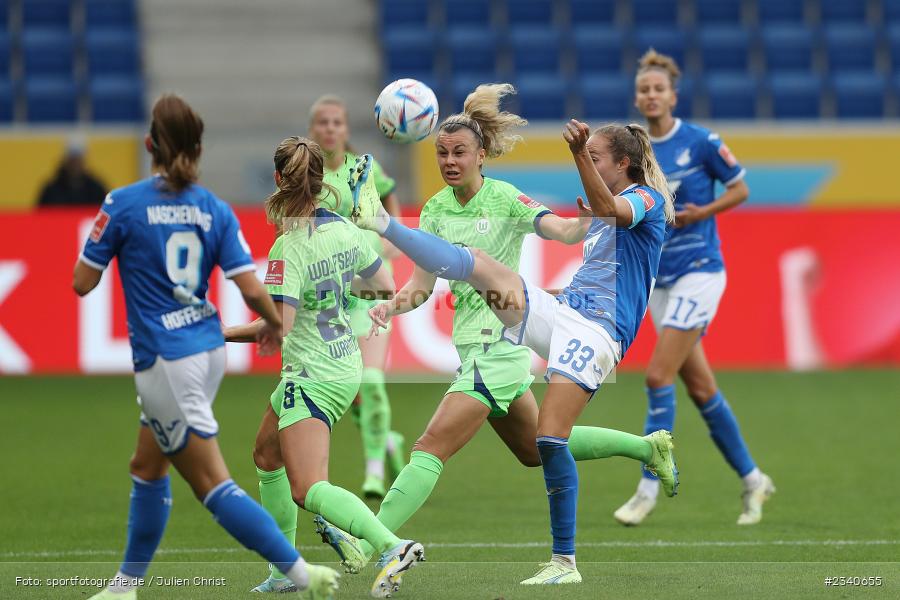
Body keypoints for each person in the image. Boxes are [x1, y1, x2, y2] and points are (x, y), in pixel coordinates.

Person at [314, 84, 676, 581]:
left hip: (500, 343)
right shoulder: (438, 210)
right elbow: (421, 286)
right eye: (441, 153)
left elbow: (566, 231)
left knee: (429, 447)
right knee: (537, 448)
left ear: (481, 155)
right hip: (495, 335)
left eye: (459, 151)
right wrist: (392, 308)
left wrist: (579, 210)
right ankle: (645, 447)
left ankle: (370, 539)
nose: (449, 160)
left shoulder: (505, 197)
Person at [73, 95, 339, 600]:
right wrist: (271, 324)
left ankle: (303, 575)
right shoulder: (212, 208)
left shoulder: (122, 204)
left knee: (212, 485)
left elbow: (83, 282)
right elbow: (252, 289)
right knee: (146, 467)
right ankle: (124, 586)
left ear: (149, 145)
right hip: (205, 349)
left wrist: (107, 236)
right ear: (198, 149)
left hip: (167, 358)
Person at [223, 138, 425, 597]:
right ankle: (283, 572)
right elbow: (383, 285)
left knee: (307, 488)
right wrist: (330, 287)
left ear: (278, 180)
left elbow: (280, 328)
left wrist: (218, 334)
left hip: (312, 374)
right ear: (320, 180)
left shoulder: (286, 247)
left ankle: (390, 546)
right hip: (344, 363)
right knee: (265, 455)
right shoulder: (345, 230)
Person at [614, 49, 774, 527]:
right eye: (644, 89)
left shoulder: (701, 142)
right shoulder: (635, 149)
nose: (651, 95)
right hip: (659, 280)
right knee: (701, 388)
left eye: (658, 88)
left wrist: (701, 214)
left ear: (673, 95)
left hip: (701, 271)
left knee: (658, 377)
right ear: (638, 97)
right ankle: (753, 480)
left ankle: (646, 489)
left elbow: (740, 188)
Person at [305, 94, 406, 499]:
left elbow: (388, 196)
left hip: (371, 289)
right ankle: (389, 441)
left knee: (373, 381)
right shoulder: (308, 177)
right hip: (332, 292)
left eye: (337, 122)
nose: (330, 129)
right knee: (351, 390)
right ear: (313, 129)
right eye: (323, 122)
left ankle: (374, 472)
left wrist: (391, 234)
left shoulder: (364, 168)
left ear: (346, 130)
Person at [38, 139, 108, 206]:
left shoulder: (96, 190)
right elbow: (40, 215)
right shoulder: (51, 190)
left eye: (78, 160)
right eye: (73, 160)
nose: (75, 165)